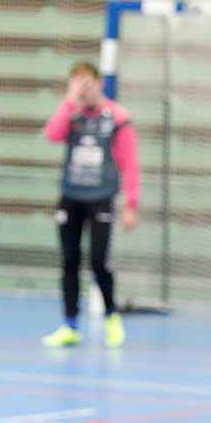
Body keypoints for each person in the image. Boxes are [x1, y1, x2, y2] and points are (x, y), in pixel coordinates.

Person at [40, 61, 141, 348]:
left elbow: (129, 162)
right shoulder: (70, 113)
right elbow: (52, 134)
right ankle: (70, 324)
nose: (83, 88)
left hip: (100, 198)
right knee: (69, 261)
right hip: (71, 196)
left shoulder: (117, 117)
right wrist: (69, 100)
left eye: (87, 82)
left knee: (99, 262)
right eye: (77, 82)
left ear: (99, 83)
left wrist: (131, 203)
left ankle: (111, 317)